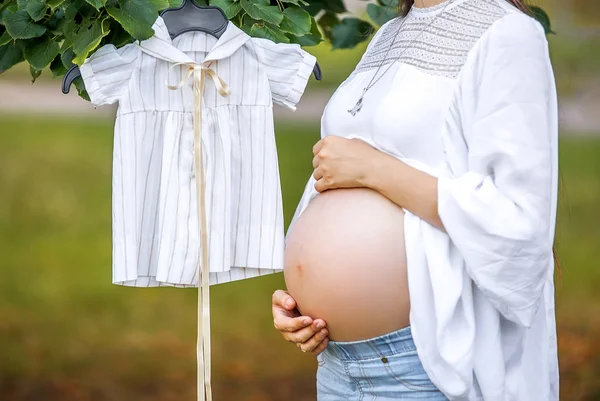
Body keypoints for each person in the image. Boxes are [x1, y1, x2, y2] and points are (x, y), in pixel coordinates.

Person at [272, 0, 559, 400]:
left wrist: (376, 169)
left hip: (424, 365)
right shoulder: (389, 33)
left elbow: (519, 220)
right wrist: (302, 298)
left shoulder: (508, 33)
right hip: (337, 362)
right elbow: (336, 169)